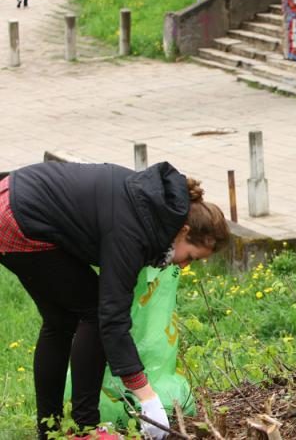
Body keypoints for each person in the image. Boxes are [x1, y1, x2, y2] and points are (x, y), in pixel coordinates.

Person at [0, 161, 230, 439]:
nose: (184, 266)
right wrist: (146, 396)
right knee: (95, 312)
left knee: (60, 320)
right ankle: (85, 429)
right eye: (191, 257)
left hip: (14, 201)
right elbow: (112, 318)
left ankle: (49, 430)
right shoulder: (133, 229)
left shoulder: (151, 208)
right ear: (183, 231)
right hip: (18, 217)